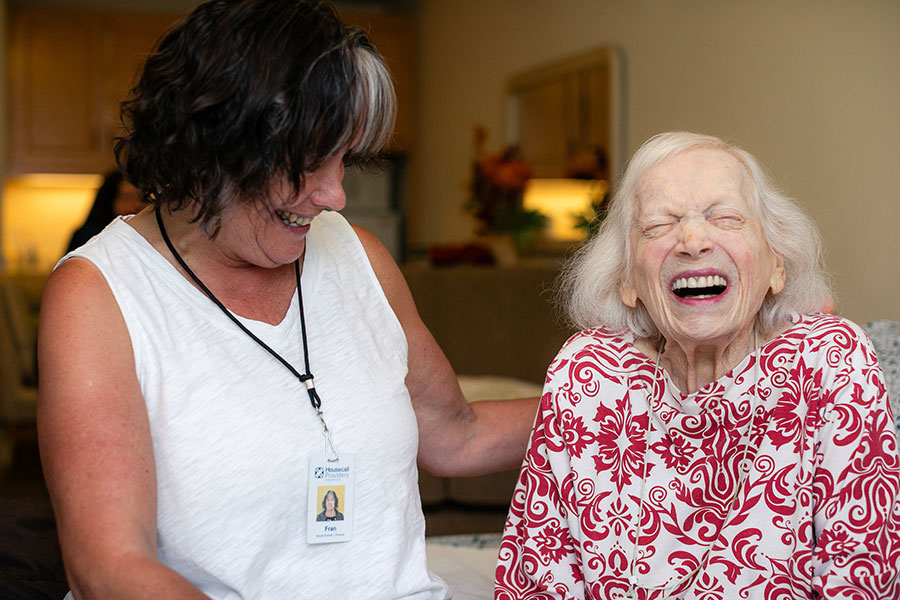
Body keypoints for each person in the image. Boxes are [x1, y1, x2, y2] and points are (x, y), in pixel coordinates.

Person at [37, 2, 536, 598]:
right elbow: (111, 568)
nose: (335, 194)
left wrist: (628, 396)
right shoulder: (99, 296)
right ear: (215, 143)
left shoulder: (361, 259)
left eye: (343, 159)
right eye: (307, 163)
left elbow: (461, 434)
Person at [495, 132, 900, 599]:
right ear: (628, 281)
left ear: (777, 267)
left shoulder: (829, 361)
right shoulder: (589, 375)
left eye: (725, 217)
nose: (691, 240)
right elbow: (538, 579)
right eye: (658, 226)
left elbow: (861, 578)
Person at [65, 170, 144, 253]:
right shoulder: (88, 235)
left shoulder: (148, 235)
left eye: (142, 199)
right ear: (109, 198)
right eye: (126, 198)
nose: (135, 205)